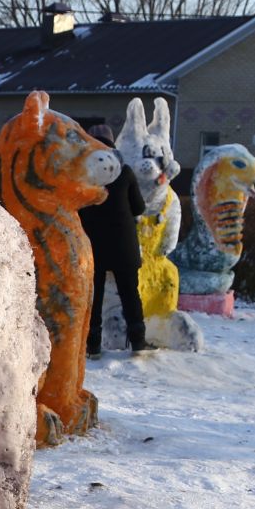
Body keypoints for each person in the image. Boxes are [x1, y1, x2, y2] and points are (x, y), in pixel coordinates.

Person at [78, 123, 148, 355]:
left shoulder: (83, 173)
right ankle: (138, 342)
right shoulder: (124, 172)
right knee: (130, 294)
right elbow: (138, 207)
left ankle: (93, 344)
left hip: (93, 245)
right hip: (123, 245)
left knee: (93, 298)